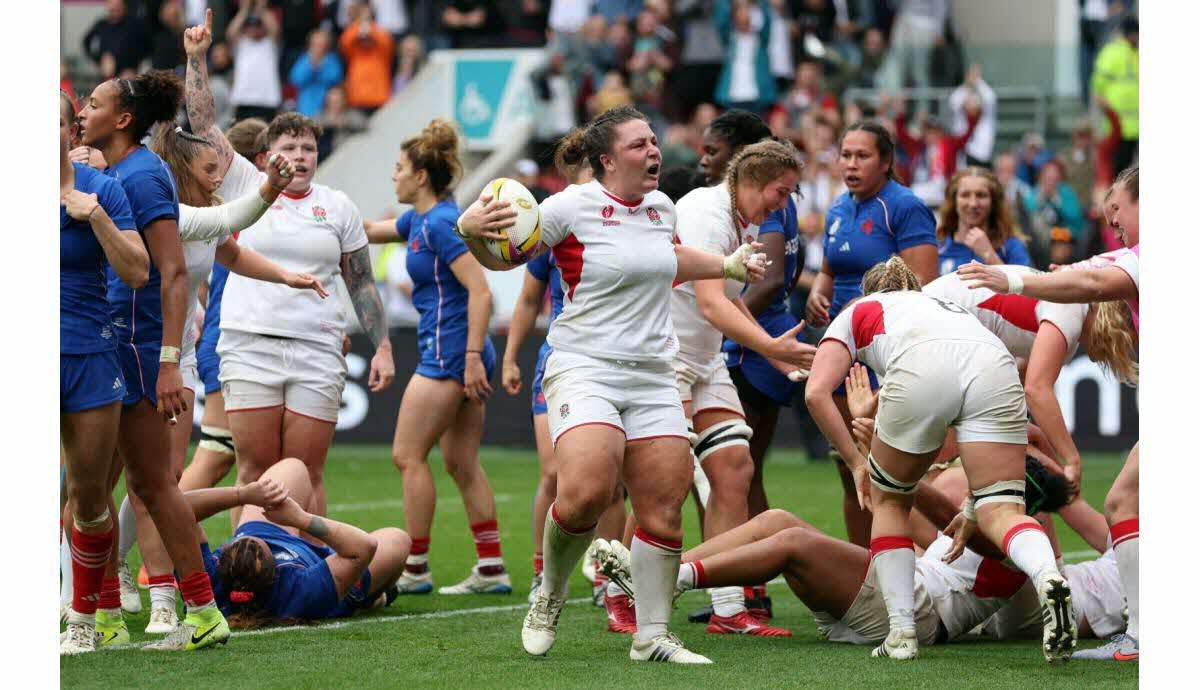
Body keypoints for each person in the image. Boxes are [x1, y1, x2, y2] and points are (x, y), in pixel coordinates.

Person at [455, 105, 769, 664]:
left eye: (653, 141)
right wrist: (470, 233)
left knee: (665, 505)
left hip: (653, 372)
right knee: (585, 493)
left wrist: (728, 265)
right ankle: (549, 592)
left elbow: (666, 258)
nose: (654, 151)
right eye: (639, 145)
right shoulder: (566, 207)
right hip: (585, 365)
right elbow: (507, 259)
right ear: (606, 160)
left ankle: (651, 636)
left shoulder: (660, 207)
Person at [804, 256, 1075, 662]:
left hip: (921, 365)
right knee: (999, 509)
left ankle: (901, 632)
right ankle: (1047, 575)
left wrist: (858, 462)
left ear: (868, 291)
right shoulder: (945, 306)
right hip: (993, 359)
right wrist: (972, 502)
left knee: (891, 499)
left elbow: (815, 393)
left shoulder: (858, 310)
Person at [184, 11, 396, 519]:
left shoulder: (338, 206)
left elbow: (361, 283)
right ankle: (248, 573)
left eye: (308, 148)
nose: (300, 156)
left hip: (317, 347)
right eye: (289, 147)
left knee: (305, 469)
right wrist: (196, 58)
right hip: (247, 342)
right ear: (263, 157)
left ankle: (306, 568)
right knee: (255, 471)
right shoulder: (242, 185)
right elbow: (203, 123)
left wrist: (384, 345)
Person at [117, 126, 328, 634]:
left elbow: (231, 251)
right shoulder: (167, 210)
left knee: (158, 479)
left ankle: (158, 592)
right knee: (129, 481)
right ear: (181, 168)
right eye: (210, 169)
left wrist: (287, 276)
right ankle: (123, 582)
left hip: (177, 356)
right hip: (134, 350)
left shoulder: (204, 219)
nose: (219, 176)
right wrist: (270, 188)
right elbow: (234, 216)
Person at [595, 454, 1081, 650]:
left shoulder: (1016, 534)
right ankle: (666, 569)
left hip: (916, 612)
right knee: (777, 520)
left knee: (793, 543)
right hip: (902, 599)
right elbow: (901, 510)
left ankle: (667, 582)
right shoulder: (1010, 528)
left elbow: (925, 503)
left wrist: (889, 459)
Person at [958, 167, 1139, 662]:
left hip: (1037, 600)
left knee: (1120, 504)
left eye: (1117, 208)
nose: (1109, 218)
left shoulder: (1136, 261)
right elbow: (1085, 273)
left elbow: (1089, 280)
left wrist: (1013, 276)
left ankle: (1143, 639)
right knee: (1122, 506)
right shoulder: (1125, 261)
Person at [77, 69, 231, 651]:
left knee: (149, 483)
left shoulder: (142, 176)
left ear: (122, 120)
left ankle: (197, 609)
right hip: (108, 340)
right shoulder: (113, 171)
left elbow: (171, 272)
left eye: (94, 105)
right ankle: (110, 615)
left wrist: (170, 361)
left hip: (137, 347)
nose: (85, 113)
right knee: (99, 486)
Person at [361, 120, 511, 595]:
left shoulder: (443, 225)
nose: (393, 175)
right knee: (462, 464)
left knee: (407, 456)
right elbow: (366, 230)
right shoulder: (421, 220)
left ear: (421, 176)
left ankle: (416, 567)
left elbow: (482, 292)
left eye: (400, 167)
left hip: (451, 353)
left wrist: (469, 359)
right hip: (460, 351)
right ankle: (491, 569)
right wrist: (308, 203)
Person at [671, 138, 813, 636]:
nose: (784, 203)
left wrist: (768, 348)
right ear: (755, 177)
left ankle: (728, 611)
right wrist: (772, 348)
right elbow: (711, 303)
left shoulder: (741, 219)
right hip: (663, 358)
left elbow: (726, 305)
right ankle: (623, 590)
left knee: (734, 470)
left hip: (703, 359)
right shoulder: (709, 214)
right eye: (782, 191)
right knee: (662, 483)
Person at [499, 161, 628, 608]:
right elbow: (529, 299)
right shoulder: (553, 227)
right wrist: (511, 356)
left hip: (618, 363)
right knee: (554, 474)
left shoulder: (627, 222)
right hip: (560, 361)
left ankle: (607, 574)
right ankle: (542, 570)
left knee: (613, 484)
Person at [806, 120, 938, 548]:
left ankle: (919, 567)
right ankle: (865, 573)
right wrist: (818, 293)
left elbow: (924, 281)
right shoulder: (838, 208)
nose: (850, 164)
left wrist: (863, 308)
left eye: (862, 156)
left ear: (885, 163)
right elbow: (830, 266)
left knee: (892, 467)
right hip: (846, 353)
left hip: (887, 351)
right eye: (845, 155)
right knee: (850, 466)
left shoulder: (904, 206)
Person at [59, 89, 150, 655]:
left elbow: (138, 270)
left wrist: (95, 220)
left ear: (72, 131)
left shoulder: (102, 189)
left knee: (88, 498)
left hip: (89, 355)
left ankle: (88, 620)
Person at [923, 264, 1136, 495]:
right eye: (1121, 341)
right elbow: (1036, 390)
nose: (1105, 356)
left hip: (940, 329)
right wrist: (1071, 458)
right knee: (942, 469)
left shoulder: (1068, 336)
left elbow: (1019, 385)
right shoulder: (1072, 307)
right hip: (932, 324)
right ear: (1112, 321)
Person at [188, 458, 411, 627]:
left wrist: (242, 495)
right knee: (398, 540)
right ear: (276, 570)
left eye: (240, 542)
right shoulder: (300, 591)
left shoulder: (209, 584)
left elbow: (181, 510)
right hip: (329, 570)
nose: (247, 541)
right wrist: (299, 518)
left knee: (293, 466)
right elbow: (363, 547)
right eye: (256, 546)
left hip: (274, 534)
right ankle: (374, 598)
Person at [935, 167, 1031, 275]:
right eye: (965, 195)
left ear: (993, 202)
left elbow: (1024, 290)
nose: (973, 204)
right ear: (954, 201)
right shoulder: (937, 248)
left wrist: (989, 255)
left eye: (981, 195)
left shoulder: (1011, 247)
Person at [227, 0, 282, 122]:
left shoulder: (269, 44)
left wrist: (261, 8)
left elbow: (275, 29)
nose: (254, 28)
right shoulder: (241, 44)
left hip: (267, 100)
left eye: (257, 25)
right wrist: (244, 10)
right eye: (250, 25)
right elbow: (231, 33)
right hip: (243, 99)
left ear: (263, 27)